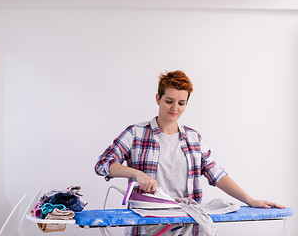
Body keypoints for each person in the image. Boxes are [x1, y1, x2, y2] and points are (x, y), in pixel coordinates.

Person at [94, 70, 284, 236]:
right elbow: (103, 164)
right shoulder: (135, 133)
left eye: (181, 103)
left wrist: (250, 200)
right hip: (148, 227)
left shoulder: (193, 139)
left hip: (188, 227)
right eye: (169, 101)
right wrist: (136, 174)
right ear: (158, 98)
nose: (174, 108)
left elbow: (216, 175)